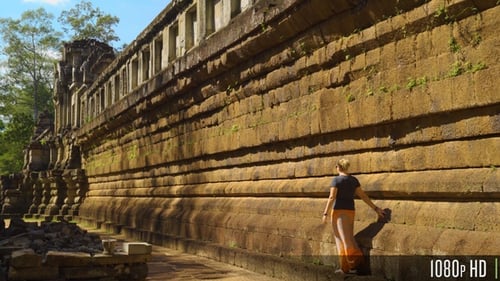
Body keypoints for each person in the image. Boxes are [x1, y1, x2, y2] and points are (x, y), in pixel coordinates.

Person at [322, 158, 385, 273]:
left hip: (339, 212)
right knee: (344, 238)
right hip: (350, 211)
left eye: (336, 167)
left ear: (339, 167)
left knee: (344, 239)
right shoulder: (354, 180)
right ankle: (345, 267)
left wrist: (325, 213)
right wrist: (375, 208)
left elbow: (332, 197)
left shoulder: (336, 180)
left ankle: (356, 263)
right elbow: (363, 196)